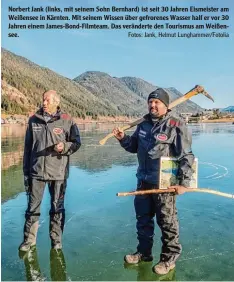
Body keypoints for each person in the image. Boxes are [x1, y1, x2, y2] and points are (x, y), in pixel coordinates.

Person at [113, 88, 194, 275]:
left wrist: (184, 183)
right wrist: (122, 138)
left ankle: (169, 259)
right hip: (143, 180)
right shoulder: (143, 124)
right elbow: (134, 146)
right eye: (150, 102)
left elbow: (186, 156)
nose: (152, 105)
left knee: (167, 223)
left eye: (157, 102)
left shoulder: (175, 124)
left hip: (164, 184)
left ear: (165, 105)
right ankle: (144, 253)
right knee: (143, 220)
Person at [19, 90, 81, 252]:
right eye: (43, 100)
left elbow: (76, 142)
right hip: (36, 171)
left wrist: (64, 147)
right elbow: (27, 148)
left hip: (58, 173)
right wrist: (26, 171)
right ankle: (29, 241)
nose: (44, 103)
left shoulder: (67, 120)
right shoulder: (33, 120)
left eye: (47, 100)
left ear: (56, 102)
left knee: (57, 207)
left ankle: (56, 240)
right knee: (32, 208)